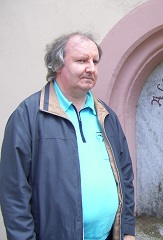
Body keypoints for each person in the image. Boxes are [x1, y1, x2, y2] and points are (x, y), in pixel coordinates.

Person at [0, 32, 135, 240]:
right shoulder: (27, 116)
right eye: (81, 61)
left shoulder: (106, 115)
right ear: (58, 65)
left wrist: (127, 231)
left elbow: (125, 176)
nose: (91, 68)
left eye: (95, 61)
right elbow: (14, 194)